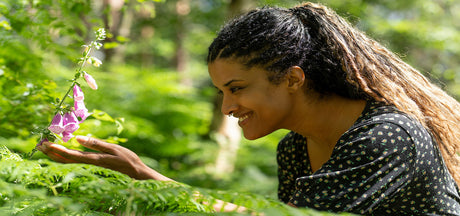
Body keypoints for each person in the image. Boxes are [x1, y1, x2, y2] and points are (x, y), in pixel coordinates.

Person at [37, 2, 460, 215]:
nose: (226, 108)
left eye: (236, 88)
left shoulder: (386, 136)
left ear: (293, 78)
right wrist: (145, 177)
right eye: (222, 92)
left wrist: (151, 180)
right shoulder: (294, 149)